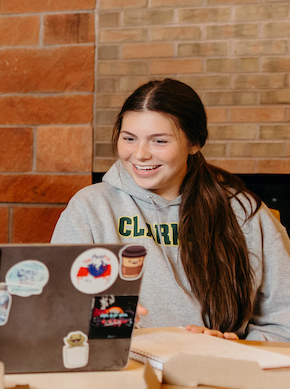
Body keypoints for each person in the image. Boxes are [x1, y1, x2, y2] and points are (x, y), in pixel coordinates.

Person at [52, 78, 290, 341]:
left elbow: (283, 323)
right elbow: (56, 312)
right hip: (123, 370)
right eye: (129, 138)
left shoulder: (244, 212)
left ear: (194, 143)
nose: (140, 154)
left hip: (220, 369)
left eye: (159, 141)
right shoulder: (89, 208)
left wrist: (240, 347)